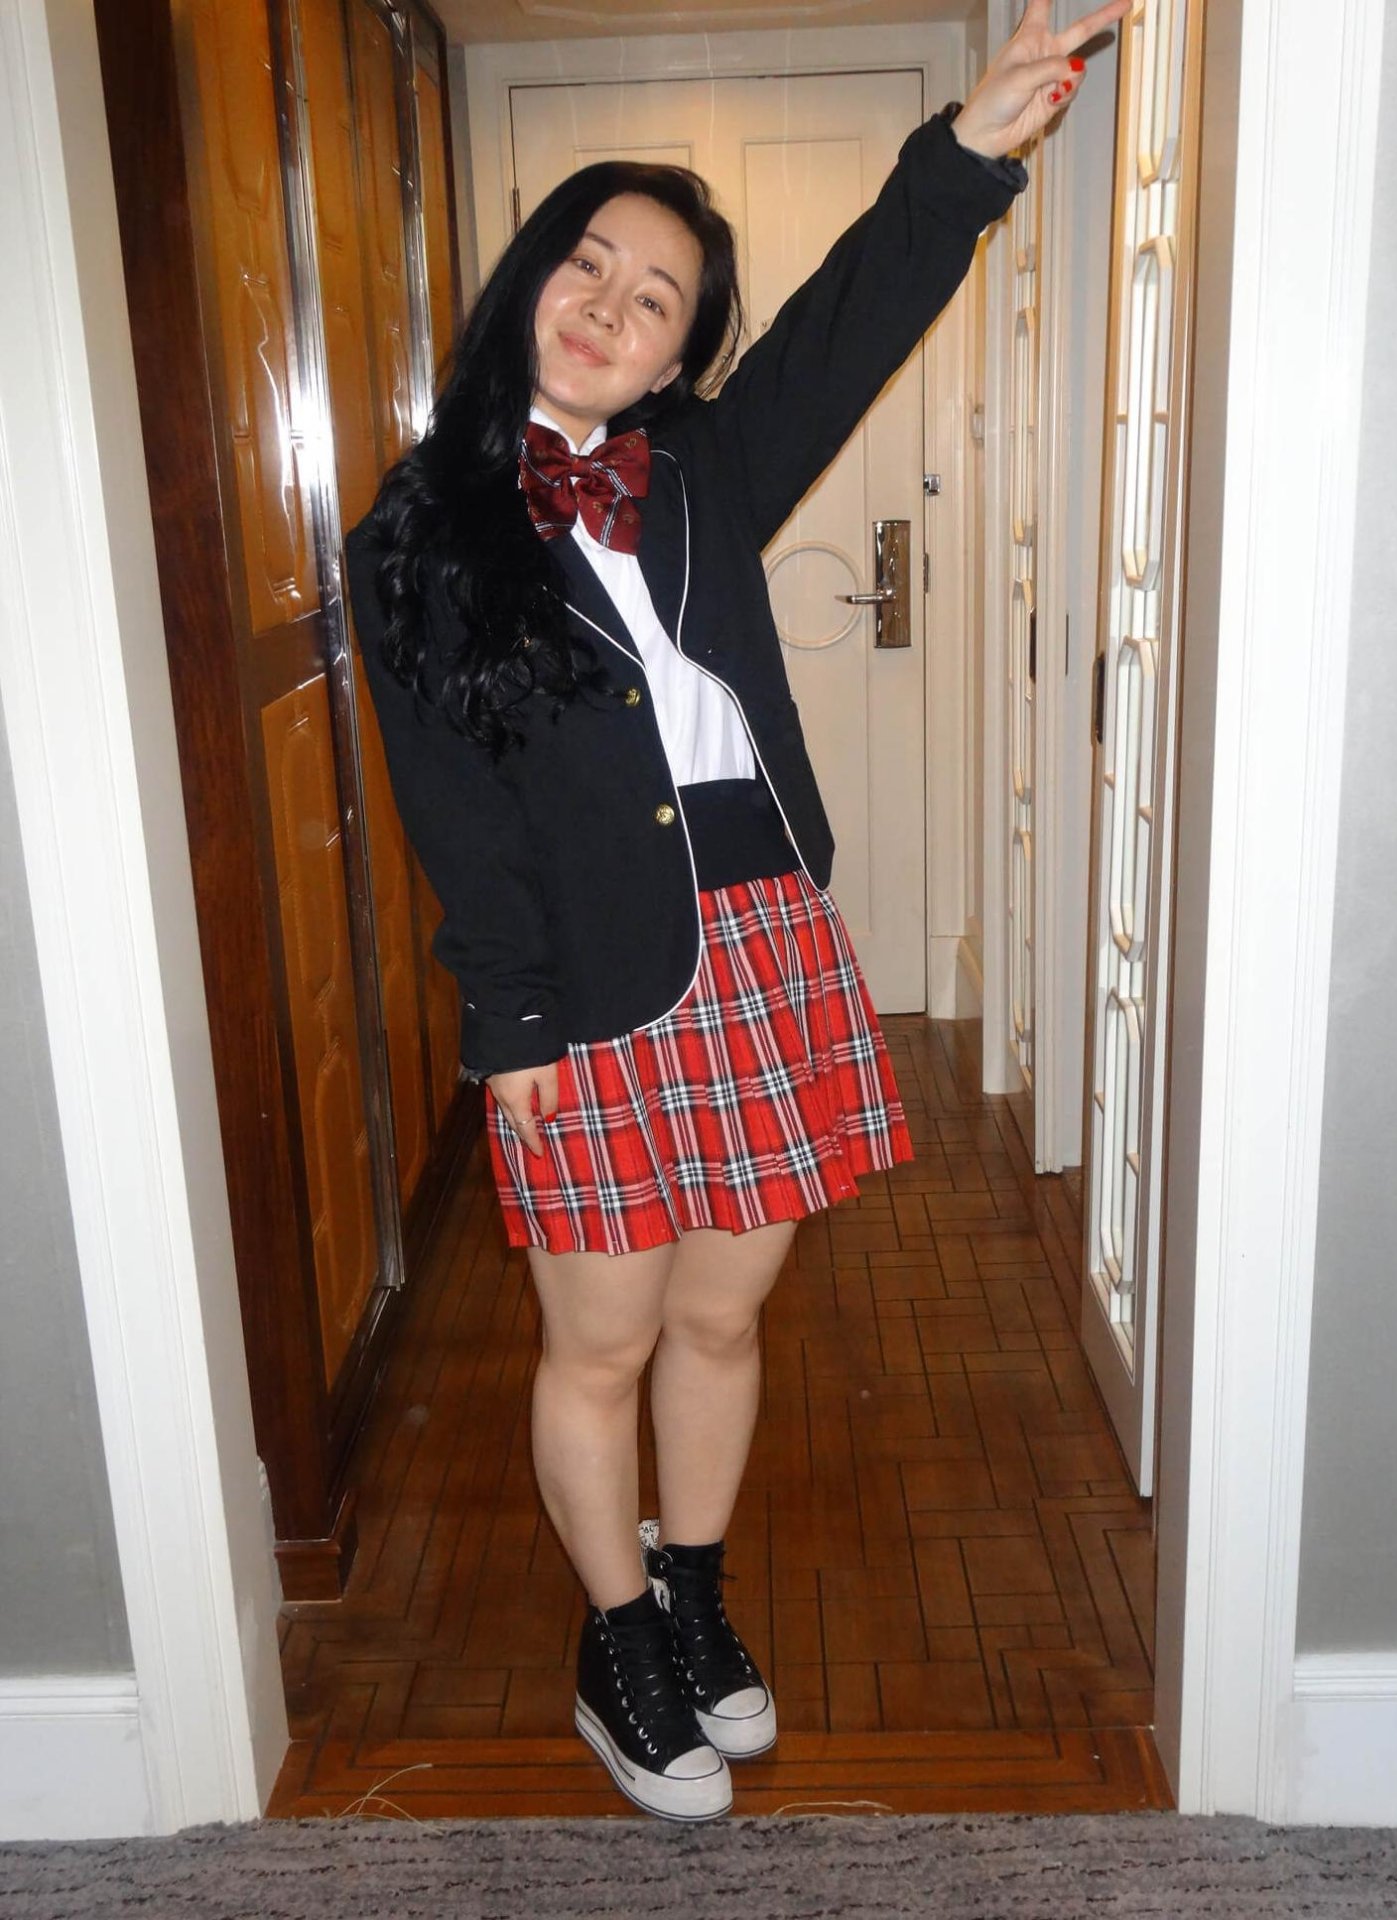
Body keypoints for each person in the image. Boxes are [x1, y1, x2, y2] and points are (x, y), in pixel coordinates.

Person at [346, 0, 1130, 1822]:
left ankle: (690, 1596)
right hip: (588, 980)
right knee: (602, 1337)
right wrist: (511, 1018)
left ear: (684, 350)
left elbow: (856, 314)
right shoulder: (420, 529)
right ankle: (614, 1643)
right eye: (590, 264)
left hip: (765, 934)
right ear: (533, 274)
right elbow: (456, 806)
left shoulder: (703, 466)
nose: (611, 306)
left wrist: (974, 144)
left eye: (659, 298)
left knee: (721, 1319)